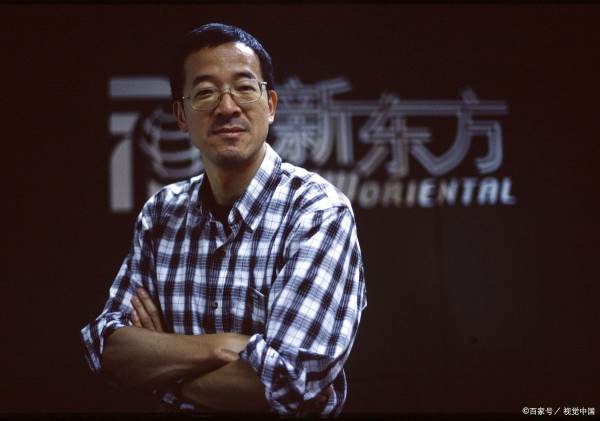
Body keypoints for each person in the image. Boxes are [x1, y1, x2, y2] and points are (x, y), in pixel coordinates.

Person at [81, 22, 366, 415]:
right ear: (181, 115)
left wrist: (160, 375)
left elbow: (288, 379)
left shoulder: (316, 212)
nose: (227, 107)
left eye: (245, 88)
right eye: (205, 92)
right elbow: (106, 346)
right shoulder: (161, 214)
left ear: (270, 105)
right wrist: (227, 346)